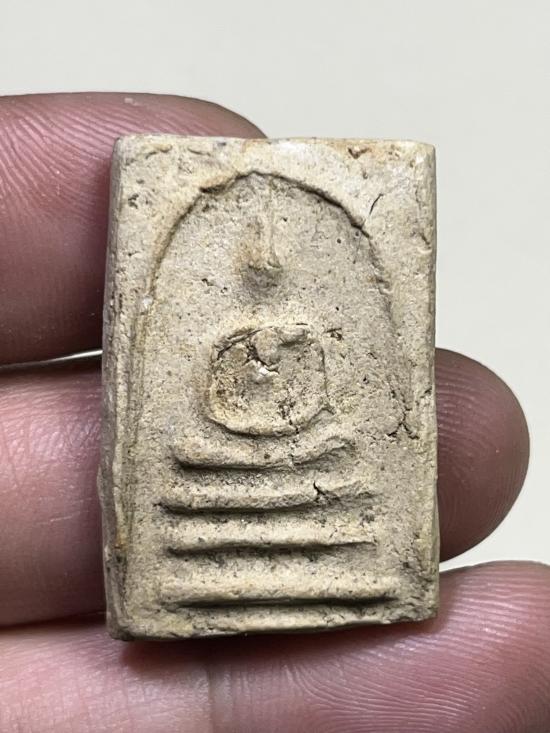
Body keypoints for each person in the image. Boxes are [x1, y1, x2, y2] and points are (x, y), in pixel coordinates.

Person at [0, 93, 546, 733]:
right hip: (208, 493)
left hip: (318, 482)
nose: (262, 265)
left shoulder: (312, 326)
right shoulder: (208, 312)